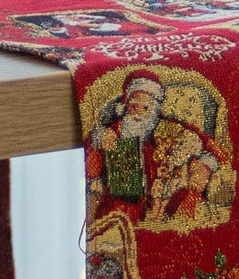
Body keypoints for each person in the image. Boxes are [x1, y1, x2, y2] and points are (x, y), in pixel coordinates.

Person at [85, 70, 220, 222]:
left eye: (145, 108)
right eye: (134, 106)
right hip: (124, 198)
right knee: (119, 211)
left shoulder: (167, 127)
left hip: (166, 194)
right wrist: (100, 138)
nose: (138, 114)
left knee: (186, 204)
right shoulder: (115, 131)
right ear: (126, 106)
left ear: (154, 110)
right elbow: (90, 151)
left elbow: (206, 145)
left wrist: (205, 165)